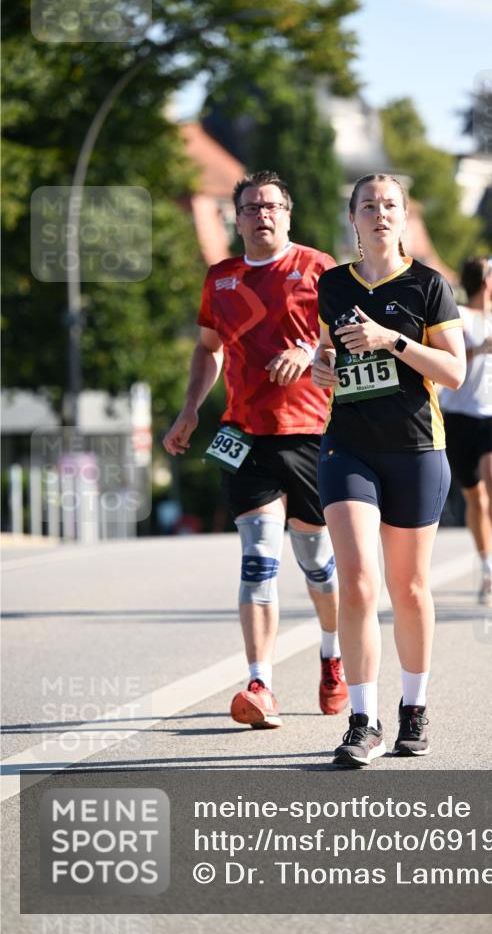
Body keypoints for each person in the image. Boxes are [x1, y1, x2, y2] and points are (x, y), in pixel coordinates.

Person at [163, 170, 348, 728]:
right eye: (250, 207)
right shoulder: (221, 279)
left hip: (312, 434)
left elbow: (350, 345)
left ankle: (332, 653)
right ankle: (261, 682)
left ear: (288, 214)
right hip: (244, 435)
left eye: (271, 206)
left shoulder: (321, 271)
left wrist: (311, 352)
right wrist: (191, 407)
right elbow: (207, 349)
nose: (262, 214)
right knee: (258, 558)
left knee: (318, 565)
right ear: (236, 218)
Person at [312, 173, 466, 768]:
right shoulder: (331, 285)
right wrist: (324, 368)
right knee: (356, 583)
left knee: (409, 588)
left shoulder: (429, 285)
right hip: (347, 447)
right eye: (368, 205)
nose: (380, 213)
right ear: (352, 217)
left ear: (404, 217)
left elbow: (453, 374)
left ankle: (414, 708)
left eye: (390, 205)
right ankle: (361, 720)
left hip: (416, 449)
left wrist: (391, 339)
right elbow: (329, 350)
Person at [438, 257, 492, 606]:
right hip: (459, 418)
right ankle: (487, 570)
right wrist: (475, 351)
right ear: (488, 281)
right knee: (475, 497)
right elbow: (446, 360)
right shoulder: (457, 314)